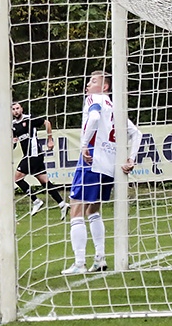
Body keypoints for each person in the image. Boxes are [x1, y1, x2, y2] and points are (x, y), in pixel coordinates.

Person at [61, 71, 142, 275]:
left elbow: (95, 117)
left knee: (76, 208)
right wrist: (131, 158)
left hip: (91, 160)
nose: (88, 84)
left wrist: (83, 145)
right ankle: (100, 258)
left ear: (104, 87)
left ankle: (79, 263)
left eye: (94, 81)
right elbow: (136, 133)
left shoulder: (95, 99)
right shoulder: (116, 108)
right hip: (109, 165)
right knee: (93, 211)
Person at [11, 102, 70, 218]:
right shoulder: (13, 125)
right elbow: (14, 141)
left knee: (17, 178)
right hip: (30, 155)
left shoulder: (29, 118)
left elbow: (47, 123)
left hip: (34, 154)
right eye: (13, 109)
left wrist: (50, 140)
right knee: (45, 182)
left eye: (17, 108)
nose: (16, 111)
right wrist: (13, 142)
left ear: (22, 109)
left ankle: (36, 201)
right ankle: (62, 204)